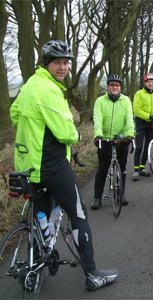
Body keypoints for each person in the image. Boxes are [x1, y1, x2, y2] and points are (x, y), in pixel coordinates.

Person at [10, 40, 118, 291]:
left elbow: (15, 113)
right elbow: (66, 134)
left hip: (28, 164)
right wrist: (76, 135)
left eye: (66, 62)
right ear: (46, 63)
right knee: (78, 214)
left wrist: (35, 127)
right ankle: (93, 275)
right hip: (51, 163)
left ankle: (35, 267)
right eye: (57, 62)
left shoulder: (29, 85)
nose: (63, 67)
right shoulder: (48, 90)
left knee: (41, 215)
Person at [91, 74, 135, 209]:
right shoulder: (100, 101)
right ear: (108, 87)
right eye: (112, 85)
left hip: (121, 139)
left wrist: (130, 134)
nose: (114, 87)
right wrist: (98, 134)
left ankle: (121, 195)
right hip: (104, 139)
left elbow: (129, 118)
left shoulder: (126, 100)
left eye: (117, 85)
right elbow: (97, 118)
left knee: (122, 168)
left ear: (120, 87)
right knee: (102, 169)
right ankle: (97, 197)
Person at [132, 72, 153, 181]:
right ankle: (135, 170)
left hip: (151, 124)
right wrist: (149, 116)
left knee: (147, 147)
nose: (150, 84)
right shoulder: (139, 93)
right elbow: (136, 110)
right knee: (139, 146)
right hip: (140, 122)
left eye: (152, 82)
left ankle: (142, 168)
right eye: (148, 82)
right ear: (145, 83)